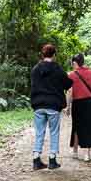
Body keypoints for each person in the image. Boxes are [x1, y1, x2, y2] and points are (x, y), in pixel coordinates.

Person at [29, 43, 72, 171]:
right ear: (54, 55)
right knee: (54, 132)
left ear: (43, 54)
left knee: (39, 132)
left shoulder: (35, 69)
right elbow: (68, 84)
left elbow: (33, 85)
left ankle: (36, 160)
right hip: (53, 105)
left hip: (38, 105)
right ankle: (52, 160)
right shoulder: (57, 69)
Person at [67, 53, 91, 161]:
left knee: (77, 126)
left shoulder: (71, 75)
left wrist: (68, 106)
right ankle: (87, 154)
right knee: (89, 127)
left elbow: (70, 92)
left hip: (78, 104)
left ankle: (75, 152)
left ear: (74, 63)